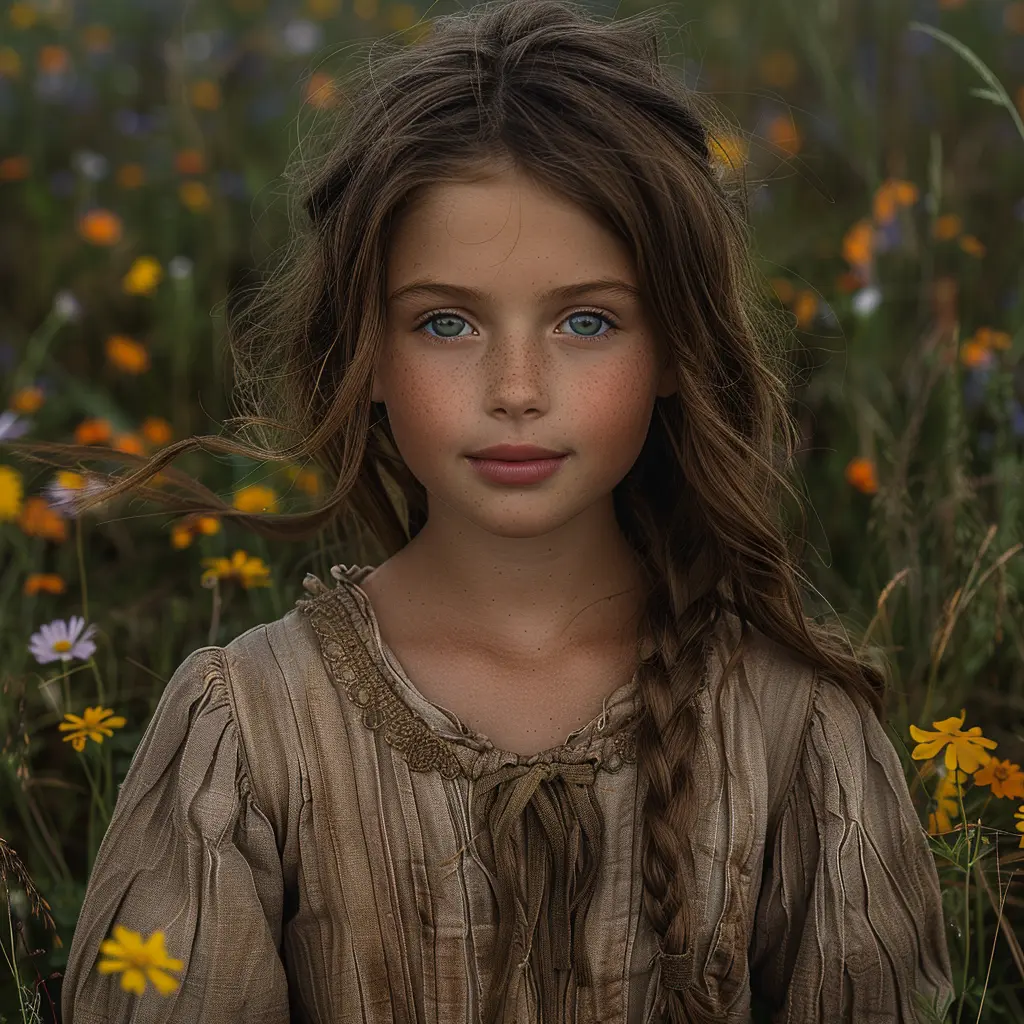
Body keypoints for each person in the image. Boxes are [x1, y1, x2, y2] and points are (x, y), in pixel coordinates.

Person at [38, 0, 955, 1021]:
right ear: (366, 355)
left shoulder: (796, 727)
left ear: (673, 352)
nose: (515, 386)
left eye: (585, 320)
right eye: (446, 320)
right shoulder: (251, 722)